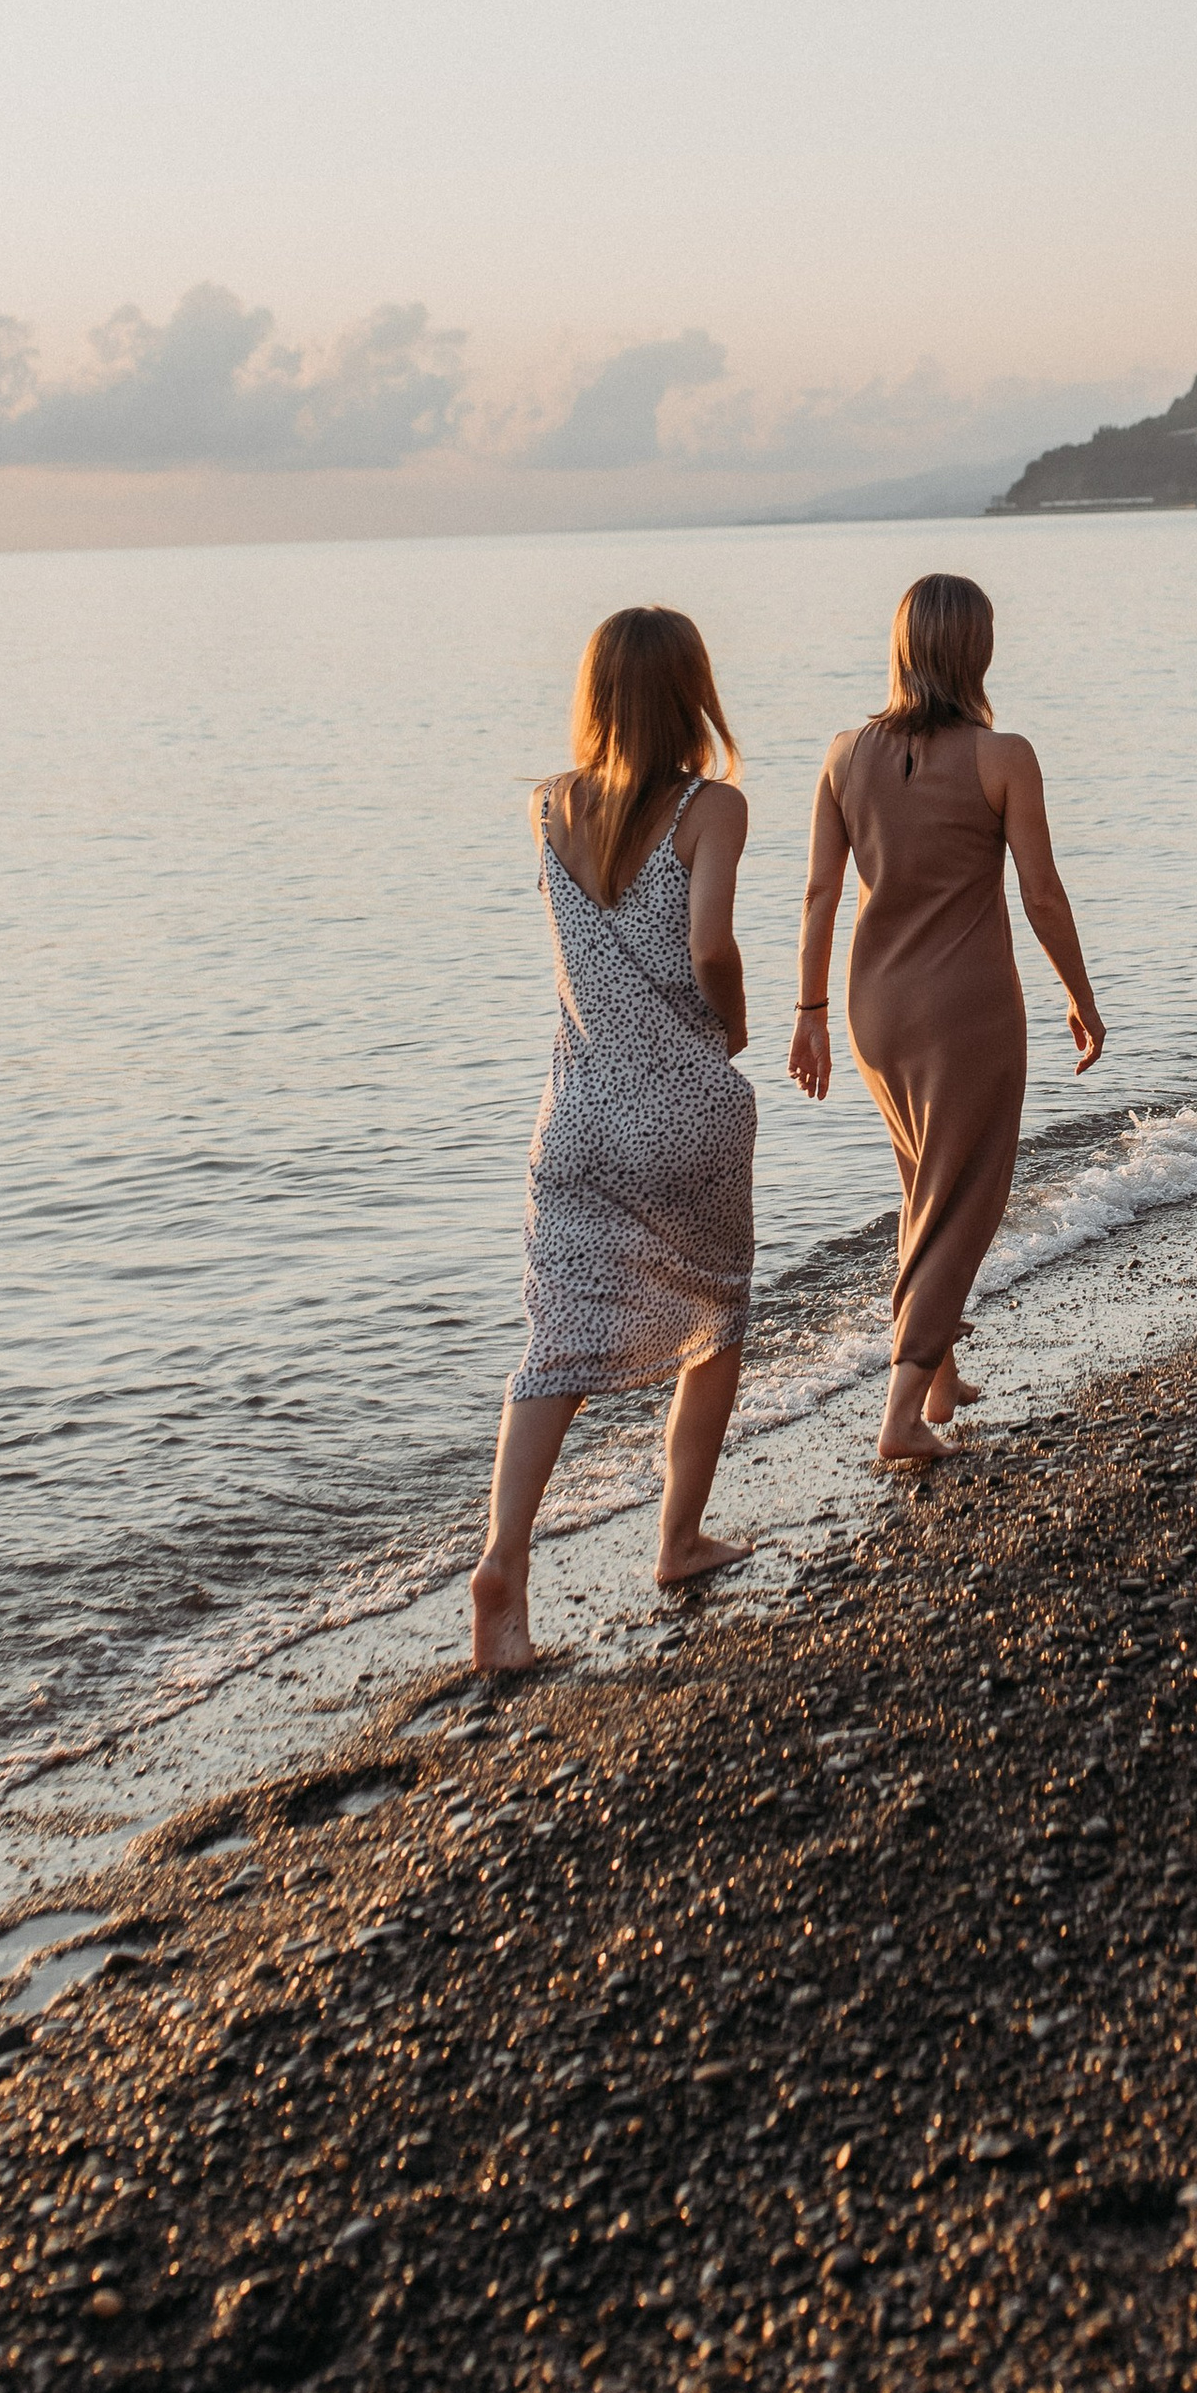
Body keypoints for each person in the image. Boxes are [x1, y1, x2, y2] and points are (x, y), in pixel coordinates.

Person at [471, 606, 757, 1667]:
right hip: (683, 1105)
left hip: (578, 1113)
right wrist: (730, 1029)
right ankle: (678, 1538)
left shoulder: (548, 805)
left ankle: (504, 1564)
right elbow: (711, 943)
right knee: (715, 1312)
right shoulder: (711, 807)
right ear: (692, 690)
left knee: (555, 1345)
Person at [788, 574, 1104, 1464]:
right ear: (978, 650)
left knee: (921, 1181)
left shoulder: (843, 754)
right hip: (965, 1008)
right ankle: (899, 1419)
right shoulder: (1004, 756)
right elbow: (1041, 895)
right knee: (965, 1196)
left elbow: (818, 893)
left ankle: (938, 1373)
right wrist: (1081, 995)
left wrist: (808, 1012)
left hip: (872, 1009)